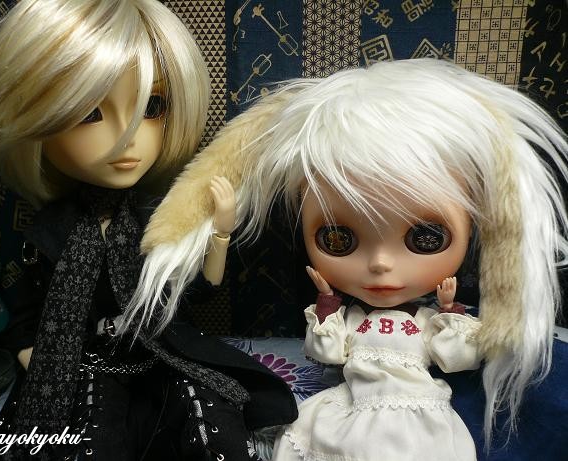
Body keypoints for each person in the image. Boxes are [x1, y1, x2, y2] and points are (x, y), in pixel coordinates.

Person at [129, 59, 568, 459]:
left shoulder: (431, 323)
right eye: (338, 239)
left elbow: (457, 356)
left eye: (425, 238)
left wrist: (450, 312)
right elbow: (325, 351)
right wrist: (326, 307)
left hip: (421, 417)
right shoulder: (352, 320)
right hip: (350, 410)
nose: (380, 263)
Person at [0, 0, 296, 459]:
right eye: (90, 112)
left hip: (158, 349)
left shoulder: (158, 215)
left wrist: (219, 236)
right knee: (91, 429)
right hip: (87, 360)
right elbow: (30, 304)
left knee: (205, 412)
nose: (127, 138)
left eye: (152, 106)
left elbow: (192, 293)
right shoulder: (52, 230)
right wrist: (37, 355)